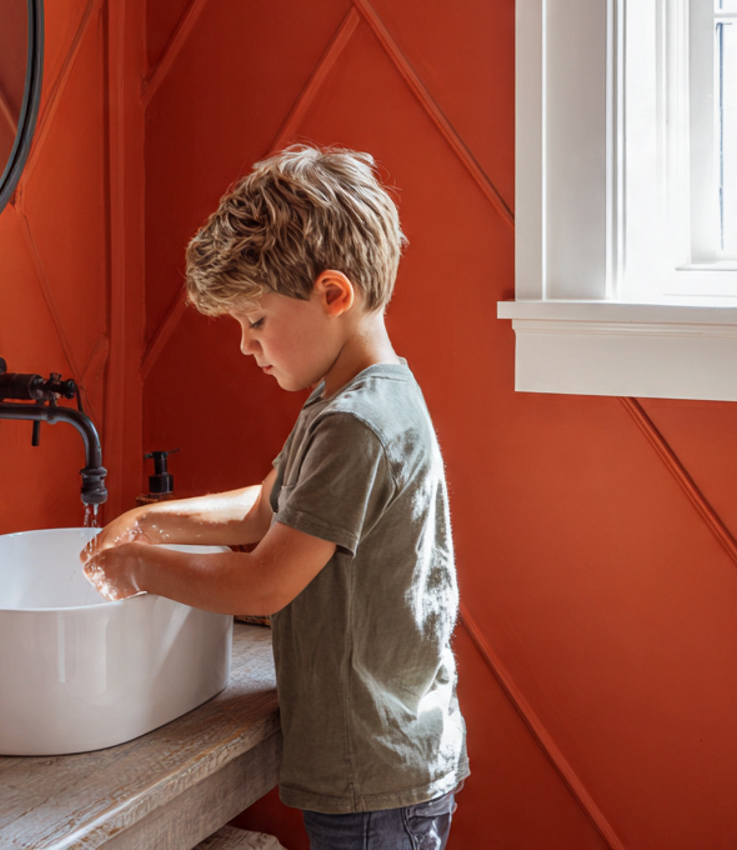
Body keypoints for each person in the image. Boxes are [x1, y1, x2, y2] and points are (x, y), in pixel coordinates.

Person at [81, 145, 468, 850]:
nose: (244, 347)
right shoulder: (350, 398)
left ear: (332, 294)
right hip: (385, 753)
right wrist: (148, 522)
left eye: (255, 322)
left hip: (373, 775)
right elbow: (264, 512)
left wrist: (138, 568)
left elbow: (264, 582)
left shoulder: (356, 423)